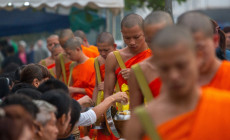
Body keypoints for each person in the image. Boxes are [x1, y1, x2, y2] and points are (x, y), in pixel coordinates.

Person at [125, 25, 230, 140]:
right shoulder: (140, 121)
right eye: (164, 68)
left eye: (181, 66)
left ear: (198, 58)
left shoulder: (224, 106)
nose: (173, 76)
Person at [103, 13, 152, 111]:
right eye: (127, 38)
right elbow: (108, 94)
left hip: (152, 111)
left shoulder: (156, 54)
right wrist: (111, 121)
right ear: (122, 33)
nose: (132, 42)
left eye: (136, 37)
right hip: (124, 114)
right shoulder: (114, 58)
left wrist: (137, 75)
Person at [128, 11, 173, 110]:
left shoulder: (192, 63)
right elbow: (136, 116)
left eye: (161, 39)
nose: (157, 46)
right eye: (150, 41)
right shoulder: (139, 71)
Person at [177, 11, 230, 91]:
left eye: (199, 47)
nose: (193, 54)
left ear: (215, 41)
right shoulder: (175, 80)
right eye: (186, 49)